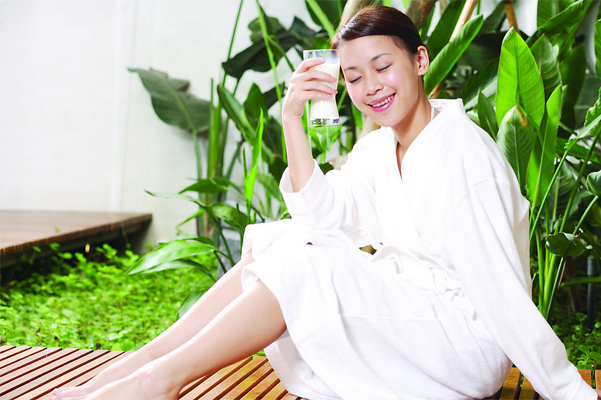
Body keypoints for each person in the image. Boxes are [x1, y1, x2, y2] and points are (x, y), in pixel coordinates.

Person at [53, 5, 601, 400]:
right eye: (354, 77)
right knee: (284, 240)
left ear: (420, 60)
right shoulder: (383, 147)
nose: (371, 87)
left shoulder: (461, 152)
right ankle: (146, 362)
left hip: (463, 344)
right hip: (415, 316)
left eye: (383, 67)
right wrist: (292, 119)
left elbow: (501, 292)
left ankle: (159, 381)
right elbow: (322, 215)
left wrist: (567, 390)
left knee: (303, 260)